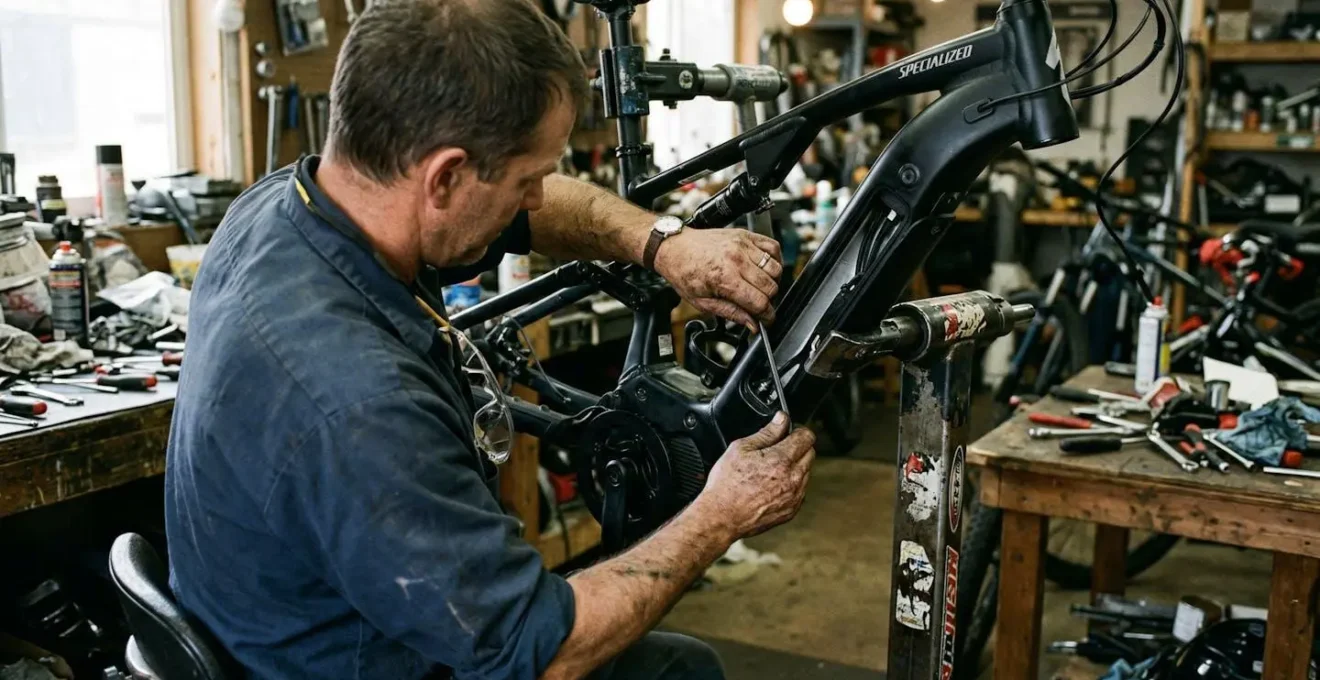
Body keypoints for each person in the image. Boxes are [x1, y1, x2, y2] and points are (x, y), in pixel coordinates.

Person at [164, 1, 816, 679]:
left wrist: (662, 243)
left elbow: (536, 215)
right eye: (526, 180)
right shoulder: (359, 403)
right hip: (350, 664)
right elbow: (543, 654)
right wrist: (721, 513)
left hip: (302, 615)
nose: (535, 198)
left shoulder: (280, 209)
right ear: (445, 177)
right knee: (681, 672)